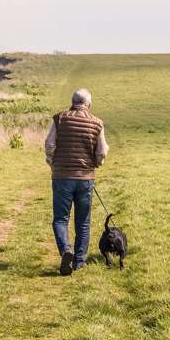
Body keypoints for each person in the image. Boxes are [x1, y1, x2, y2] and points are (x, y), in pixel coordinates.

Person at [44, 88, 109, 276]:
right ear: (88, 104)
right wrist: (97, 163)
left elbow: (49, 145)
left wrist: (52, 162)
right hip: (85, 179)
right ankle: (79, 261)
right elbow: (102, 151)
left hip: (62, 177)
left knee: (60, 219)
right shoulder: (97, 123)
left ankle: (66, 250)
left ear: (73, 102)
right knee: (83, 222)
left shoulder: (60, 118)